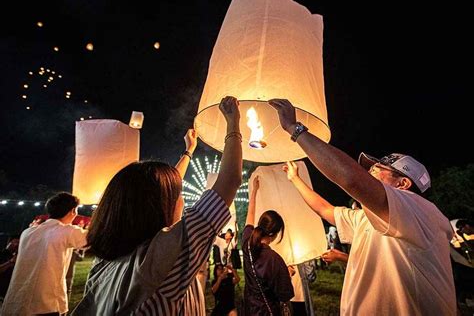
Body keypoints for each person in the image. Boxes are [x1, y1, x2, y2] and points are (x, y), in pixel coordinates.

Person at [270, 98, 456, 315]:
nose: (369, 173)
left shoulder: (419, 209)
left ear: (403, 183)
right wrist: (294, 179)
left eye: (377, 169)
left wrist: (295, 129)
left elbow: (351, 179)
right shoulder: (369, 217)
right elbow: (325, 210)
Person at [71, 96, 242, 315]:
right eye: (177, 194)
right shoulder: (161, 257)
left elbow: (156, 192)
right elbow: (229, 181)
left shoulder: (105, 263)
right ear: (159, 206)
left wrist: (189, 151)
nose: (182, 199)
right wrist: (233, 122)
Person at [1, 192, 87, 315]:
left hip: (17, 302)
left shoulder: (27, 232)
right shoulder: (67, 231)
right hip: (46, 304)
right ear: (73, 211)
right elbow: (95, 238)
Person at [242, 176, 294, 315]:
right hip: (267, 311)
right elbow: (285, 294)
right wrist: (287, 274)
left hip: (249, 308)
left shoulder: (246, 242)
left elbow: (249, 216)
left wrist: (254, 191)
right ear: (274, 234)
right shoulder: (274, 259)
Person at [0, 235, 19, 307]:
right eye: (15, 242)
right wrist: (10, 262)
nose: (16, 245)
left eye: (18, 243)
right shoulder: (1, 254)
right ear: (9, 242)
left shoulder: (15, 257)